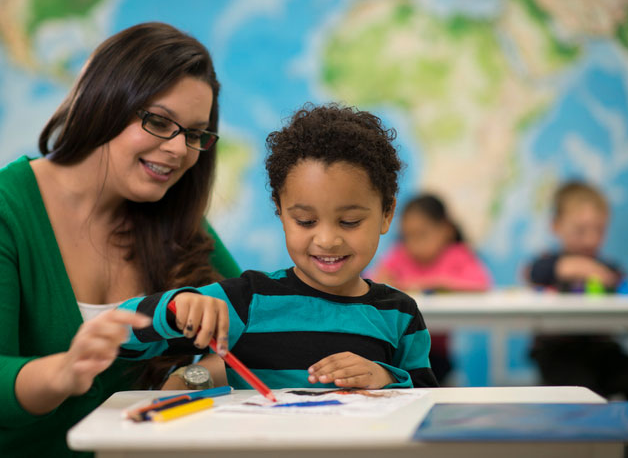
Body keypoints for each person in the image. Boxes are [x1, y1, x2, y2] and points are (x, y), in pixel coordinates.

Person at [0, 22, 237, 457]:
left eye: (194, 134)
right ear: (105, 103)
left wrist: (190, 379)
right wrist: (64, 372)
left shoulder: (178, 222)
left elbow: (268, 325)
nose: (178, 150)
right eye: (158, 121)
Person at [118, 104, 439, 389]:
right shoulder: (247, 301)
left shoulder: (400, 314)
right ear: (281, 212)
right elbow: (120, 337)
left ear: (386, 214)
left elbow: (426, 401)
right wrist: (175, 308)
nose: (326, 240)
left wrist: (386, 377)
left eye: (350, 222)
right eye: (305, 221)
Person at [527, 180, 628, 458]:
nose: (590, 239)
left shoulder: (610, 269)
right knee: (586, 394)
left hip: (603, 352)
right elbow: (537, 272)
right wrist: (578, 267)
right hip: (557, 353)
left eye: (598, 230)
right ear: (556, 226)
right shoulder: (547, 264)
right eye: (580, 230)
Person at [371, 194, 492, 384]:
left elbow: (481, 283)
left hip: (437, 353)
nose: (413, 244)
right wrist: (384, 278)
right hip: (398, 351)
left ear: (445, 230)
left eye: (421, 235)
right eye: (407, 236)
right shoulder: (400, 255)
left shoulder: (456, 254)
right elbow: (371, 281)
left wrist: (436, 282)